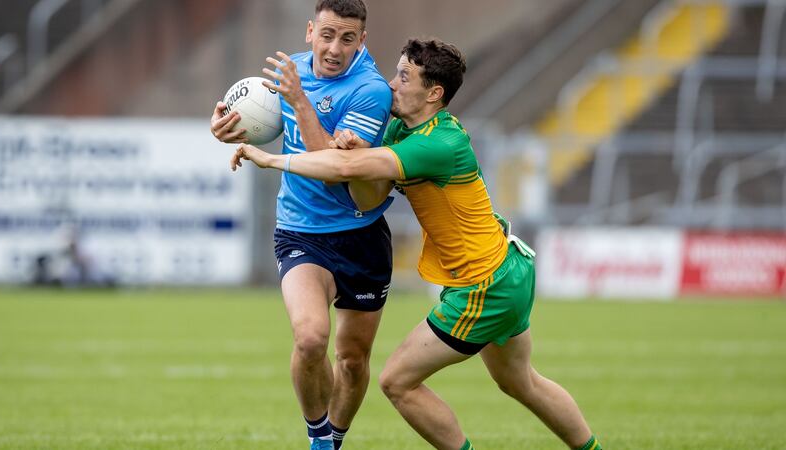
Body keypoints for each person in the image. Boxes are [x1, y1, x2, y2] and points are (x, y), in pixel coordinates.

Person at [230, 38, 603, 450]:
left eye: (404, 77)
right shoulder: (401, 129)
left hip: (485, 285)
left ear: (434, 93)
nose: (391, 85)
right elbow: (362, 187)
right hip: (509, 267)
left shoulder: (438, 143)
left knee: (397, 382)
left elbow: (344, 166)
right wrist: (355, 152)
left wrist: (271, 160)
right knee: (522, 382)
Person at [210, 1, 393, 449]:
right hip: (301, 232)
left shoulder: (371, 90)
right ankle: (320, 440)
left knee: (351, 361)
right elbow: (253, 117)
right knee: (311, 338)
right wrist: (224, 126)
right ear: (310, 31)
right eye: (327, 35)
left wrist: (299, 100)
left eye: (347, 38)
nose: (334, 48)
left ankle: (337, 437)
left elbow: (335, 168)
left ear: (362, 41)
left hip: (360, 236)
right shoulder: (290, 69)